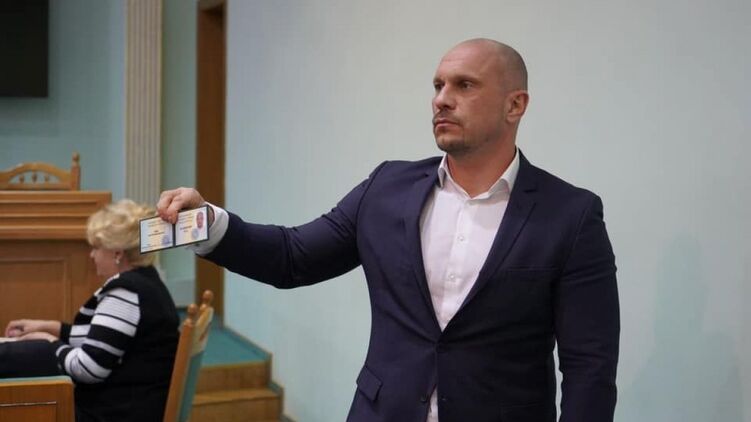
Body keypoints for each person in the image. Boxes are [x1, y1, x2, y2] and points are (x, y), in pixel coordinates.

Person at [158, 38, 619, 422]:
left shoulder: (570, 215)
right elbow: (293, 256)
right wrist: (207, 224)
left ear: (515, 105)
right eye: (438, 85)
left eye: (464, 85)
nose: (441, 99)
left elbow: (590, 368)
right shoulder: (386, 188)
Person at [1, 199, 179, 422]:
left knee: (22, 368)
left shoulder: (126, 293)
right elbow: (105, 340)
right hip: (135, 404)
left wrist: (51, 344)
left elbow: (89, 369)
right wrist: (51, 328)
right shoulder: (146, 282)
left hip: (116, 413)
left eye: (96, 247)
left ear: (117, 253)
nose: (91, 255)